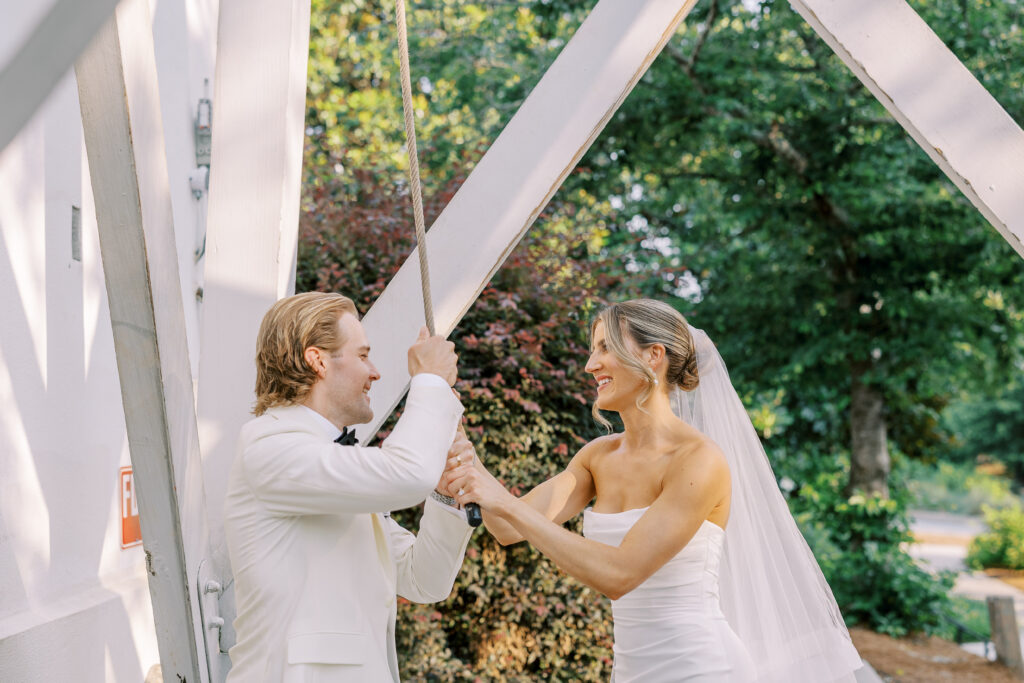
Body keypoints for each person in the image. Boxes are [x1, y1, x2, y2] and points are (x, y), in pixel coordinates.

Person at [447, 299, 863, 682]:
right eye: (592, 350)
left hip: (702, 670)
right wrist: (454, 431)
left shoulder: (699, 460)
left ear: (653, 356)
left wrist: (502, 501)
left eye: (605, 348)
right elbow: (506, 527)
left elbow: (620, 574)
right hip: (632, 671)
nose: (590, 365)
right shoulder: (596, 457)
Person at [223, 292, 474, 682]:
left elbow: (423, 580)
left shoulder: (333, 460)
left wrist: (442, 494)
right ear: (318, 360)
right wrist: (429, 381)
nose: (375, 372)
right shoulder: (269, 446)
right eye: (363, 355)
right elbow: (408, 473)